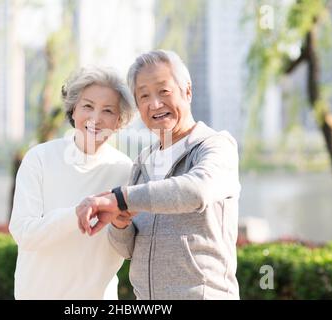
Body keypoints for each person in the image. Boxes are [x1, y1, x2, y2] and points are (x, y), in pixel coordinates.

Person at [76, 50, 241, 300]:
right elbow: (127, 248)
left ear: (187, 91)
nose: (154, 104)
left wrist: (121, 198)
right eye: (144, 96)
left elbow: (197, 191)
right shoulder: (143, 161)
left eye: (164, 91)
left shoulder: (216, 145)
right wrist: (120, 223)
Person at [9, 66, 135, 299]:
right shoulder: (40, 158)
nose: (96, 118)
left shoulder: (126, 171)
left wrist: (122, 224)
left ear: (119, 121)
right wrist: (77, 213)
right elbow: (23, 232)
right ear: (74, 110)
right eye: (88, 106)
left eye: (108, 110)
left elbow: (129, 246)